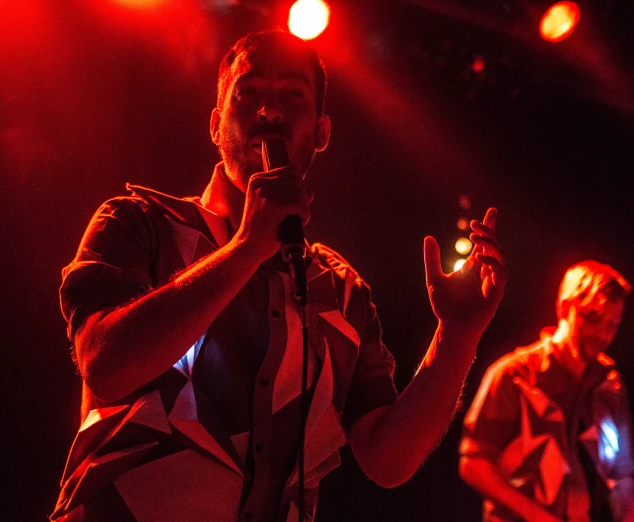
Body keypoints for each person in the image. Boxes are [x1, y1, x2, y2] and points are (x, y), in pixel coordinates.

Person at [51, 30, 506, 522]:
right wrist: (246, 248)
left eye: (293, 95)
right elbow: (105, 365)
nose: (269, 111)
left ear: (323, 131)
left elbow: (387, 460)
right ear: (214, 124)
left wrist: (458, 339)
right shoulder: (137, 223)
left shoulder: (342, 289)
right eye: (248, 94)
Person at [459, 261, 633, 522]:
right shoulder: (513, 375)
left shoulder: (610, 384)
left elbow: (623, 475)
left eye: (612, 325)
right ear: (564, 307)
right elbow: (473, 464)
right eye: (593, 318)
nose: (602, 334)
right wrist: (538, 516)